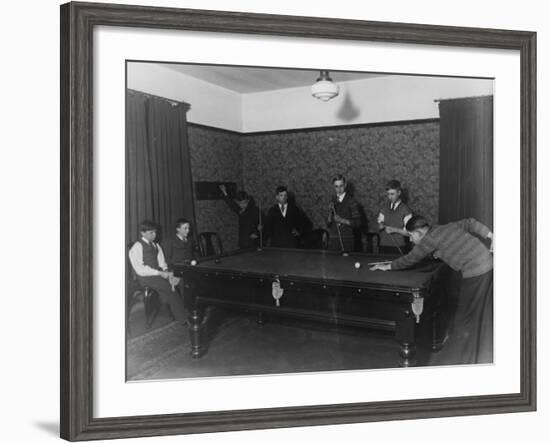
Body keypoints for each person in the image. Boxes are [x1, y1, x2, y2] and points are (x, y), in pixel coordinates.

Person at [370, 215, 494, 365]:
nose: (410, 240)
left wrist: (388, 266)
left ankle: (463, 362)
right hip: (487, 263)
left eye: (410, 235)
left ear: (419, 233)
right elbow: (470, 223)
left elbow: (410, 259)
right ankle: (475, 356)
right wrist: (491, 235)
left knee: (464, 319)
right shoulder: (443, 227)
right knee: (475, 315)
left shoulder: (428, 240)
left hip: (477, 271)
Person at [128, 220, 187, 325]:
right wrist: (160, 273)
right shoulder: (137, 246)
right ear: (143, 233)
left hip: (157, 274)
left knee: (179, 280)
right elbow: (140, 269)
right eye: (151, 233)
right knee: (170, 289)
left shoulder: (156, 246)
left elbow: (162, 262)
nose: (154, 235)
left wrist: (166, 272)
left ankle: (175, 311)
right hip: (145, 277)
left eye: (155, 232)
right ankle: (183, 319)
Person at [219, 185, 262, 249]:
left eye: (244, 203)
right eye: (240, 204)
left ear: (248, 200)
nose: (242, 206)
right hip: (243, 242)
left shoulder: (255, 210)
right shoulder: (240, 210)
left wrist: (256, 232)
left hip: (254, 241)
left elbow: (261, 223)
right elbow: (232, 205)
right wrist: (225, 192)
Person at [326, 174, 361, 252]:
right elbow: (328, 224)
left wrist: (342, 220)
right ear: (333, 187)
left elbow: (357, 223)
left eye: (341, 186)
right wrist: (330, 212)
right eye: (336, 186)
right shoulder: (332, 201)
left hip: (347, 240)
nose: (339, 189)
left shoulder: (351, 202)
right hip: (333, 240)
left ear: (345, 185)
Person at [377, 180, 413, 253]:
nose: (390, 197)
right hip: (383, 245)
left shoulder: (406, 210)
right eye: (388, 194)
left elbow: (409, 233)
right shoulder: (384, 208)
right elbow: (380, 224)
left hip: (399, 247)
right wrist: (380, 225)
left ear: (399, 193)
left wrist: (394, 230)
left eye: (392, 194)